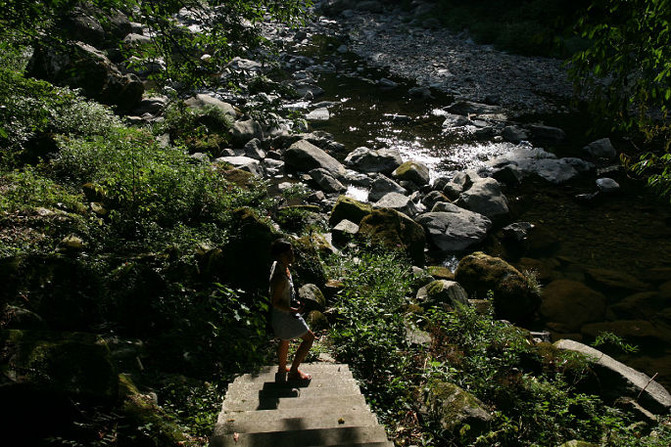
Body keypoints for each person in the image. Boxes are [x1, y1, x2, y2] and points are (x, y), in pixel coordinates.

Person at [269, 238, 315, 381]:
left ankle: (282, 369)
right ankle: (294, 372)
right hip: (285, 315)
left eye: (292, 251)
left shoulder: (279, 266)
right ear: (281, 256)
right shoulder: (280, 277)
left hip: (283, 314)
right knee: (309, 339)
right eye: (288, 253)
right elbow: (275, 302)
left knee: (285, 340)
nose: (292, 255)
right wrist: (292, 309)